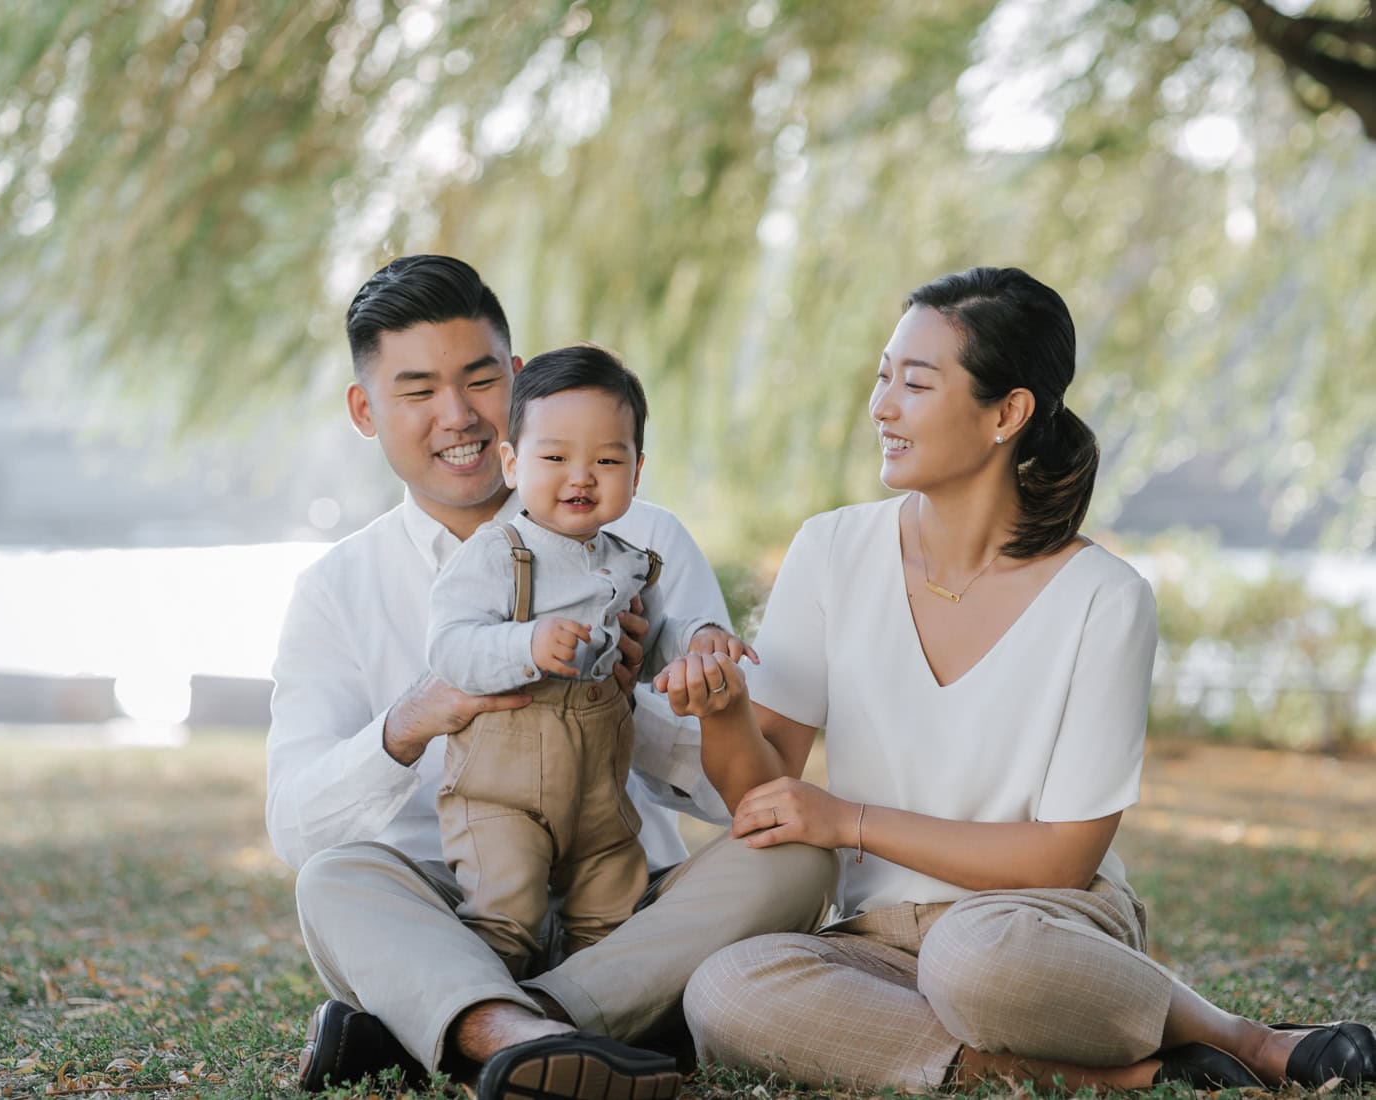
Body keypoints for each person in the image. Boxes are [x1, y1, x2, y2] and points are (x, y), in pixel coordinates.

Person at [651, 266, 1376, 1091]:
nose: (881, 406)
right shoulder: (830, 550)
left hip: (1040, 928)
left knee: (974, 962)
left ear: (1008, 412)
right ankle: (1111, 1075)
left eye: (914, 383)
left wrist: (848, 820)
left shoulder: (1104, 598)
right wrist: (723, 710)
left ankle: (1230, 1034)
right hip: (878, 937)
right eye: (883, 377)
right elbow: (763, 793)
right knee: (723, 988)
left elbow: (1062, 860)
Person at [264, 255, 837, 1099]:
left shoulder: (646, 544)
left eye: (480, 379)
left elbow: (731, 802)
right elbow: (297, 830)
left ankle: (479, 1028)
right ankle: (536, 1019)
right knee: (336, 881)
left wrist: (627, 699)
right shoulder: (335, 591)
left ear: (519, 381)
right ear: (365, 410)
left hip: (626, 912)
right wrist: (413, 719)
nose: (457, 417)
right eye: (418, 391)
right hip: (456, 919)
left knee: (800, 857)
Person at [427, 344, 755, 979]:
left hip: (600, 789)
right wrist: (524, 646)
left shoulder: (629, 561)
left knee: (611, 907)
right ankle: (490, 1014)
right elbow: (450, 650)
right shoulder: (499, 553)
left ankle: (586, 1012)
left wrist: (701, 636)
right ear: (513, 463)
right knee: (505, 910)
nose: (581, 476)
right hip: (503, 793)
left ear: (636, 472)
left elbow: (656, 638)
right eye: (555, 458)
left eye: (608, 460)